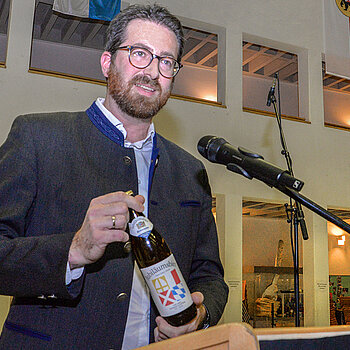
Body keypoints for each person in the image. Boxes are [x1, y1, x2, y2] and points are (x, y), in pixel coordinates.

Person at [0, 3, 228, 350]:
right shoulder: (37, 137)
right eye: (139, 53)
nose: (152, 71)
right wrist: (74, 250)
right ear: (108, 62)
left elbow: (210, 276)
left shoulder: (190, 170)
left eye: (166, 61)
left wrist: (199, 316)